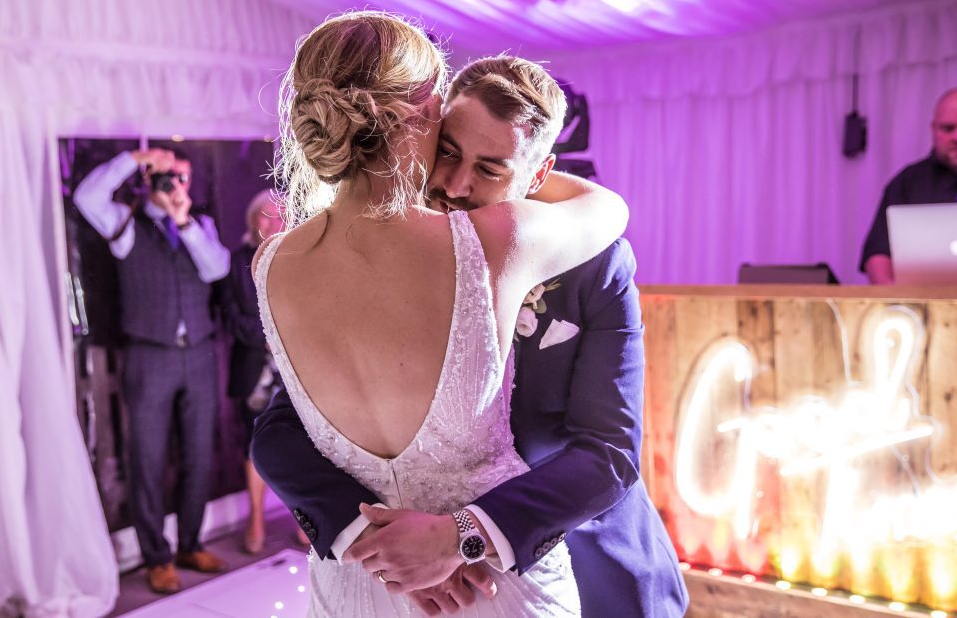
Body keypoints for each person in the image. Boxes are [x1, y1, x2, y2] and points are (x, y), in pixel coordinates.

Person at [254, 30, 686, 618]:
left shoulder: (594, 260)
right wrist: (373, 540)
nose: (456, 185)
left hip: (577, 550)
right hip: (388, 572)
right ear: (423, 129)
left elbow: (609, 451)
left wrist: (462, 537)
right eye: (449, 150)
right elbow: (284, 425)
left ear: (538, 178)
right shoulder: (383, 249)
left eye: (490, 167)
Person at [74, 147, 231, 594]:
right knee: (147, 458)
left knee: (198, 453)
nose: (175, 187)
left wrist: (183, 220)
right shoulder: (125, 223)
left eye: (181, 178)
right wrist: (134, 159)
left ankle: (189, 543)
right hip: (149, 355)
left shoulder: (199, 224)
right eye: (166, 178)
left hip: (199, 353)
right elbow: (87, 198)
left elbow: (217, 268)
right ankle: (155, 556)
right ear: (149, 181)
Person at [220, 190, 311, 553]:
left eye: (282, 214)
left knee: (306, 443)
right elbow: (233, 317)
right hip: (256, 368)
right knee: (254, 443)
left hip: (298, 367)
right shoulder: (236, 261)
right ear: (252, 220)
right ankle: (255, 518)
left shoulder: (300, 257)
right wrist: (271, 334)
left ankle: (305, 518)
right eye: (267, 215)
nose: (275, 221)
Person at [861, 86, 957, 284]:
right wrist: (895, 301)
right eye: (948, 128)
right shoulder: (908, 181)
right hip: (920, 309)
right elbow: (877, 255)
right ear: (934, 129)